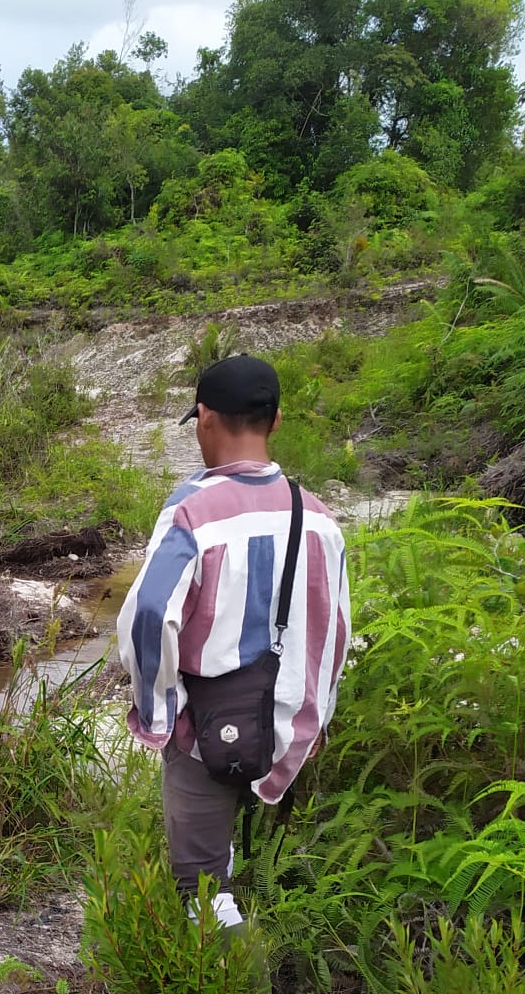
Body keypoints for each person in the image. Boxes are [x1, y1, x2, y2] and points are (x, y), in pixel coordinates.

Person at [117, 354, 351, 930]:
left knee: (202, 890)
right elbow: (335, 634)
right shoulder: (318, 518)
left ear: (203, 419)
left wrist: (158, 716)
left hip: (206, 727)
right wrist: (313, 721)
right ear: (274, 422)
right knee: (242, 849)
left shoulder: (191, 514)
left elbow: (149, 616)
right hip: (285, 724)